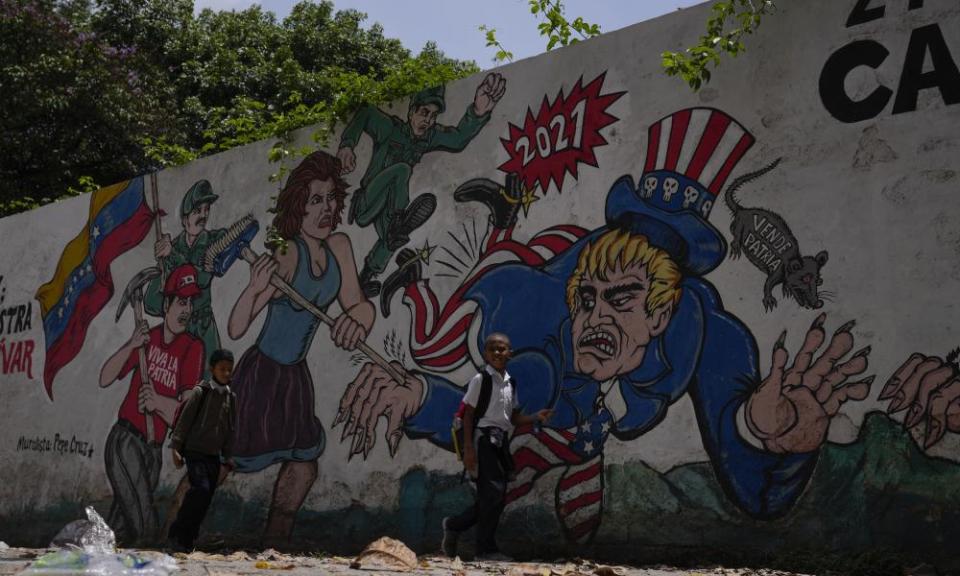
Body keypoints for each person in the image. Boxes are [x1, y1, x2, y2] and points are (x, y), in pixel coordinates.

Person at [336, 108, 874, 545]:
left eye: (621, 301)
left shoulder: (701, 331)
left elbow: (756, 489)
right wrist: (420, 397)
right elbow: (495, 408)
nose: (596, 318)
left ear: (660, 313)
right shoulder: (545, 323)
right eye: (588, 299)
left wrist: (773, 434)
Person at [227, 150, 375, 545]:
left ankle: (275, 544)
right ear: (299, 206)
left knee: (303, 466)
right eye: (315, 200)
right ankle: (179, 527)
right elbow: (237, 326)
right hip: (261, 373)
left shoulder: (340, 246)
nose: (326, 209)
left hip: (294, 376)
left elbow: (359, 304)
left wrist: (355, 321)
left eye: (330, 198)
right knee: (226, 460)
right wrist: (255, 288)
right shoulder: (287, 252)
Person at [337, 73, 506, 297]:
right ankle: (399, 219)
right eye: (424, 113)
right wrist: (347, 145)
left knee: (394, 237)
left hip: (389, 209)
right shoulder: (390, 129)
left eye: (434, 116)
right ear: (411, 111)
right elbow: (367, 114)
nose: (428, 120)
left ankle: (364, 279)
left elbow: (456, 140)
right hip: (368, 202)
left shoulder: (428, 137)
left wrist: (477, 111)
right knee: (402, 170)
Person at [98, 264, 204, 546]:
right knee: (145, 526)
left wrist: (157, 402)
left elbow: (185, 415)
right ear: (167, 303)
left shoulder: (193, 349)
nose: (187, 309)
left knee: (121, 530)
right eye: (181, 301)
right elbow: (105, 376)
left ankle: (93, 558)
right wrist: (132, 345)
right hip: (125, 442)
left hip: (153, 451)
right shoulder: (147, 341)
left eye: (191, 302)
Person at [441, 333, 551, 560]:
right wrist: (469, 450)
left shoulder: (511, 383)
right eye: (493, 349)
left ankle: (454, 525)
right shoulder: (481, 380)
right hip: (483, 442)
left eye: (502, 349)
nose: (498, 353)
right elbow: (469, 414)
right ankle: (485, 549)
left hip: (500, 443)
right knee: (493, 495)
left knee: (494, 498)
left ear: (510, 353)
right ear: (486, 354)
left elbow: (513, 419)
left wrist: (535, 417)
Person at [144, 180, 229, 373]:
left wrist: (171, 255)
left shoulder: (214, 241)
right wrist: (170, 310)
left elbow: (201, 278)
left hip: (204, 327)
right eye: (197, 211)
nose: (203, 215)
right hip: (180, 332)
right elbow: (150, 302)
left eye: (206, 210)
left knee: (212, 383)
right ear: (184, 219)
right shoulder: (171, 248)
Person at [166, 349, 238, 552]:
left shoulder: (230, 398)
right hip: (194, 452)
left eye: (229, 370)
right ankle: (177, 531)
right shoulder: (202, 392)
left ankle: (187, 540)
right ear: (212, 369)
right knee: (200, 489)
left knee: (205, 499)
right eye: (222, 369)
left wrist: (229, 455)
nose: (226, 373)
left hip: (213, 456)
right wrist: (176, 448)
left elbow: (230, 429)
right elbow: (185, 421)